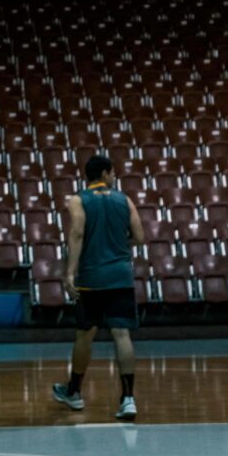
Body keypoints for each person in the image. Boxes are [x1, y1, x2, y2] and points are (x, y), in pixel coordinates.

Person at [52, 155, 145, 421]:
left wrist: (69, 272)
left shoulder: (78, 200)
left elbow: (77, 234)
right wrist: (117, 242)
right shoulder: (124, 200)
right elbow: (139, 237)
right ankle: (128, 399)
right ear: (104, 173)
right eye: (113, 172)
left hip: (92, 276)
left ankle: (74, 392)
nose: (115, 177)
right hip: (120, 275)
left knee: (85, 334)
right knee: (122, 335)